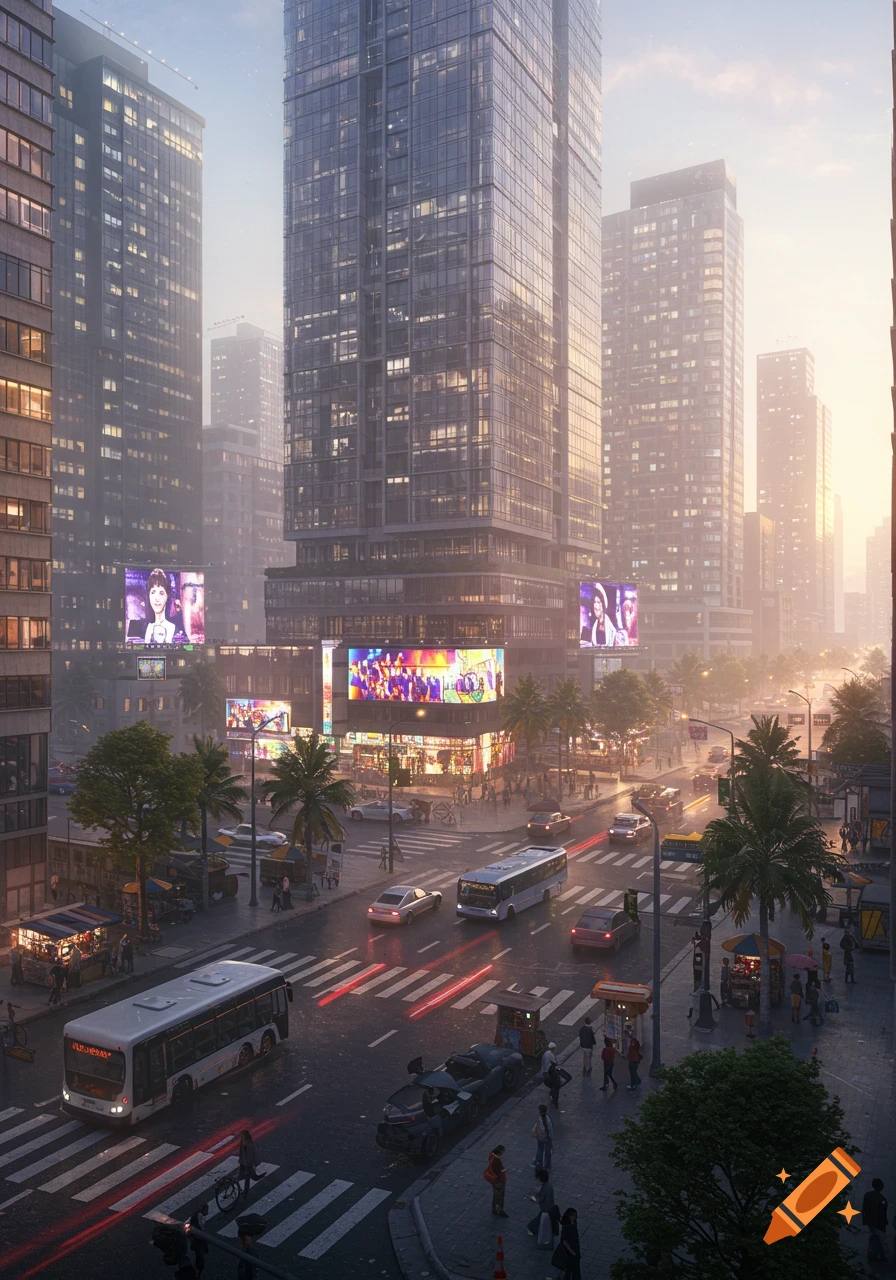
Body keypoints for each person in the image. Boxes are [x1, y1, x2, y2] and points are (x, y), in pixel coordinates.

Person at [142, 568, 178, 645]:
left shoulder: (174, 629)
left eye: (161, 593)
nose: (157, 598)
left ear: (167, 596)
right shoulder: (147, 627)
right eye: (153, 592)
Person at [580, 583, 617, 648]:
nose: (596, 605)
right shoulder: (595, 626)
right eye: (594, 602)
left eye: (598, 602)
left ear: (603, 605)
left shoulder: (610, 627)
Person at [861, 1177, 889, 1261]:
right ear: (881, 1186)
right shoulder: (882, 1199)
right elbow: (882, 1213)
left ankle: (871, 1252)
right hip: (879, 1223)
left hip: (870, 1221)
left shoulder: (867, 1195)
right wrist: (884, 1222)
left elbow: (864, 1209)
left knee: (873, 1236)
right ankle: (883, 1255)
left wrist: (864, 1220)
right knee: (882, 1239)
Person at [527, 1168, 556, 1248]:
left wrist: (533, 1199)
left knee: (540, 1218)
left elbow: (541, 1198)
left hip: (545, 1207)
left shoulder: (545, 1188)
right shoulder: (549, 1185)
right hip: (550, 1206)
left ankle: (531, 1228)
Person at [552, 1207, 581, 1279]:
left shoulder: (573, 1223)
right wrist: (572, 1252)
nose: (573, 1218)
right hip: (570, 1250)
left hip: (575, 1247)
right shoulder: (566, 1227)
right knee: (571, 1267)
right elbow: (564, 1241)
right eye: (572, 1216)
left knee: (572, 1267)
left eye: (574, 1216)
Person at [238, 1129, 267, 1199]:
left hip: (248, 1164)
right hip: (243, 1162)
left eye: (242, 1136)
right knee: (240, 1177)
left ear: (246, 1137)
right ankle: (259, 1176)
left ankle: (245, 1193)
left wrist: (247, 1164)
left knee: (248, 1178)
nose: (241, 1138)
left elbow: (251, 1157)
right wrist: (240, 1160)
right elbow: (241, 1151)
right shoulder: (242, 1142)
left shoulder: (250, 1145)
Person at [188, 1203, 209, 1278]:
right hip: (198, 1239)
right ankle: (198, 1272)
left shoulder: (197, 1214)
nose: (207, 1213)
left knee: (199, 1255)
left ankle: (197, 1271)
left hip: (196, 1238)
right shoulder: (199, 1216)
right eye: (206, 1211)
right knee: (200, 1256)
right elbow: (201, 1226)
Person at [487, 1144, 507, 1217]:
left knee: (495, 1195)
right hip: (499, 1181)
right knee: (500, 1196)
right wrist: (505, 1170)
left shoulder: (491, 1155)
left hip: (494, 1180)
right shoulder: (497, 1161)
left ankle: (494, 1209)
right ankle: (500, 1210)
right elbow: (501, 1171)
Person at [532, 1103, 554, 1171]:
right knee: (547, 1152)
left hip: (541, 1138)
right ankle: (547, 1165)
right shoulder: (547, 1119)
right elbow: (550, 1130)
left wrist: (534, 1132)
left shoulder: (541, 1119)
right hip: (547, 1139)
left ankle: (539, 1163)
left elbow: (538, 1126)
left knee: (540, 1150)